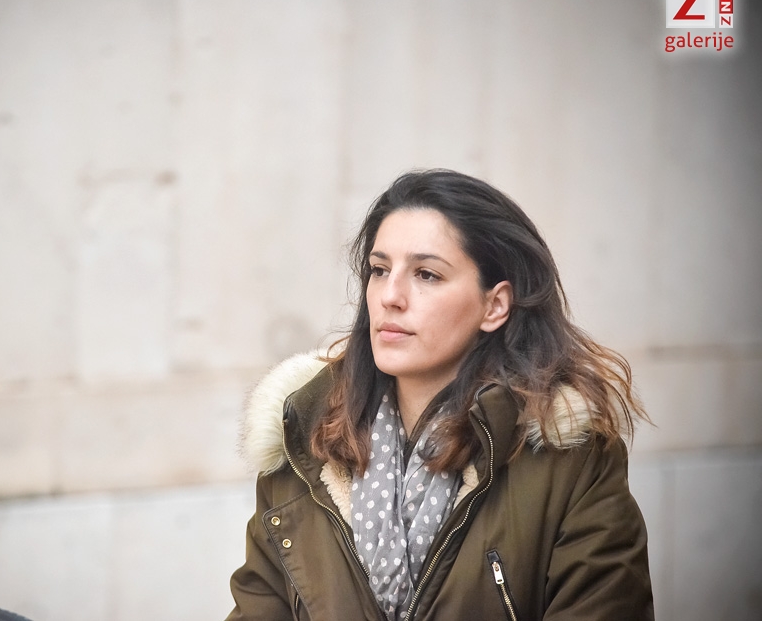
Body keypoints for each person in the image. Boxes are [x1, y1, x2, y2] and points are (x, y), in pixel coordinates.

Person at [226, 169, 654, 620]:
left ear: (495, 305)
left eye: (427, 274)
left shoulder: (567, 461)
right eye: (379, 270)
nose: (390, 296)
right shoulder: (304, 444)